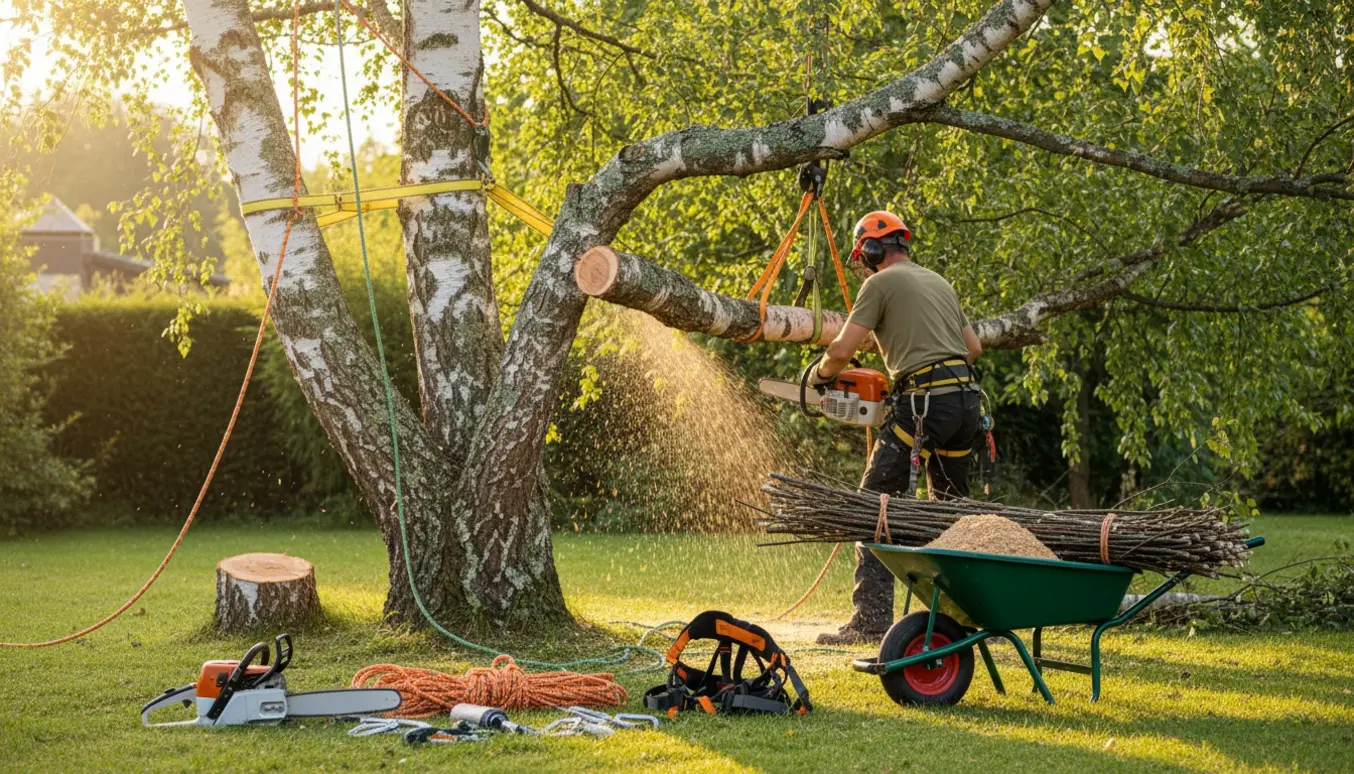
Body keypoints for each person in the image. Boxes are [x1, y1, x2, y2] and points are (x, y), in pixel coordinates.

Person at [810, 211, 983, 645]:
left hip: (923, 405)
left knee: (875, 506)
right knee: (950, 514)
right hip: (965, 404)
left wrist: (819, 377)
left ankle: (870, 622)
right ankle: (963, 619)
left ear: (870, 250)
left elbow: (841, 349)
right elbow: (973, 348)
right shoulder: (938, 281)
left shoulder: (878, 284)